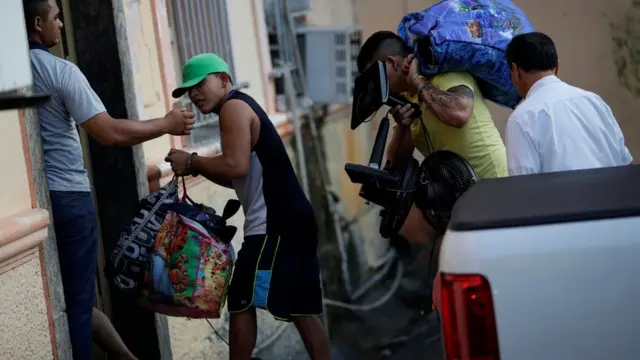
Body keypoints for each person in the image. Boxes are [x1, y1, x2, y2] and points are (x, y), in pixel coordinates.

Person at [22, 0, 195, 358]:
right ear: (38, 24)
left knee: (76, 302)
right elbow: (109, 133)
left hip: (34, 203)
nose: (62, 25)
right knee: (78, 308)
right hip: (70, 198)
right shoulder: (61, 70)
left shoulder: (13, 72)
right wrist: (166, 124)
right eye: (56, 18)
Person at [164, 53, 330, 360]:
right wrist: (200, 166)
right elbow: (242, 175)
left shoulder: (232, 108)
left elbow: (236, 166)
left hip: (274, 223)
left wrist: (191, 161)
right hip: (294, 219)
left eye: (200, 83)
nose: (194, 93)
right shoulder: (240, 105)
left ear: (224, 79)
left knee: (242, 296)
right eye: (189, 89)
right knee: (302, 309)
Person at [505, 32, 632, 175]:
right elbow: (624, 162)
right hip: (614, 195)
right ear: (557, 66)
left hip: (560, 198)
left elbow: (522, 186)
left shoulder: (521, 118)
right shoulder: (595, 101)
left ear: (515, 71)